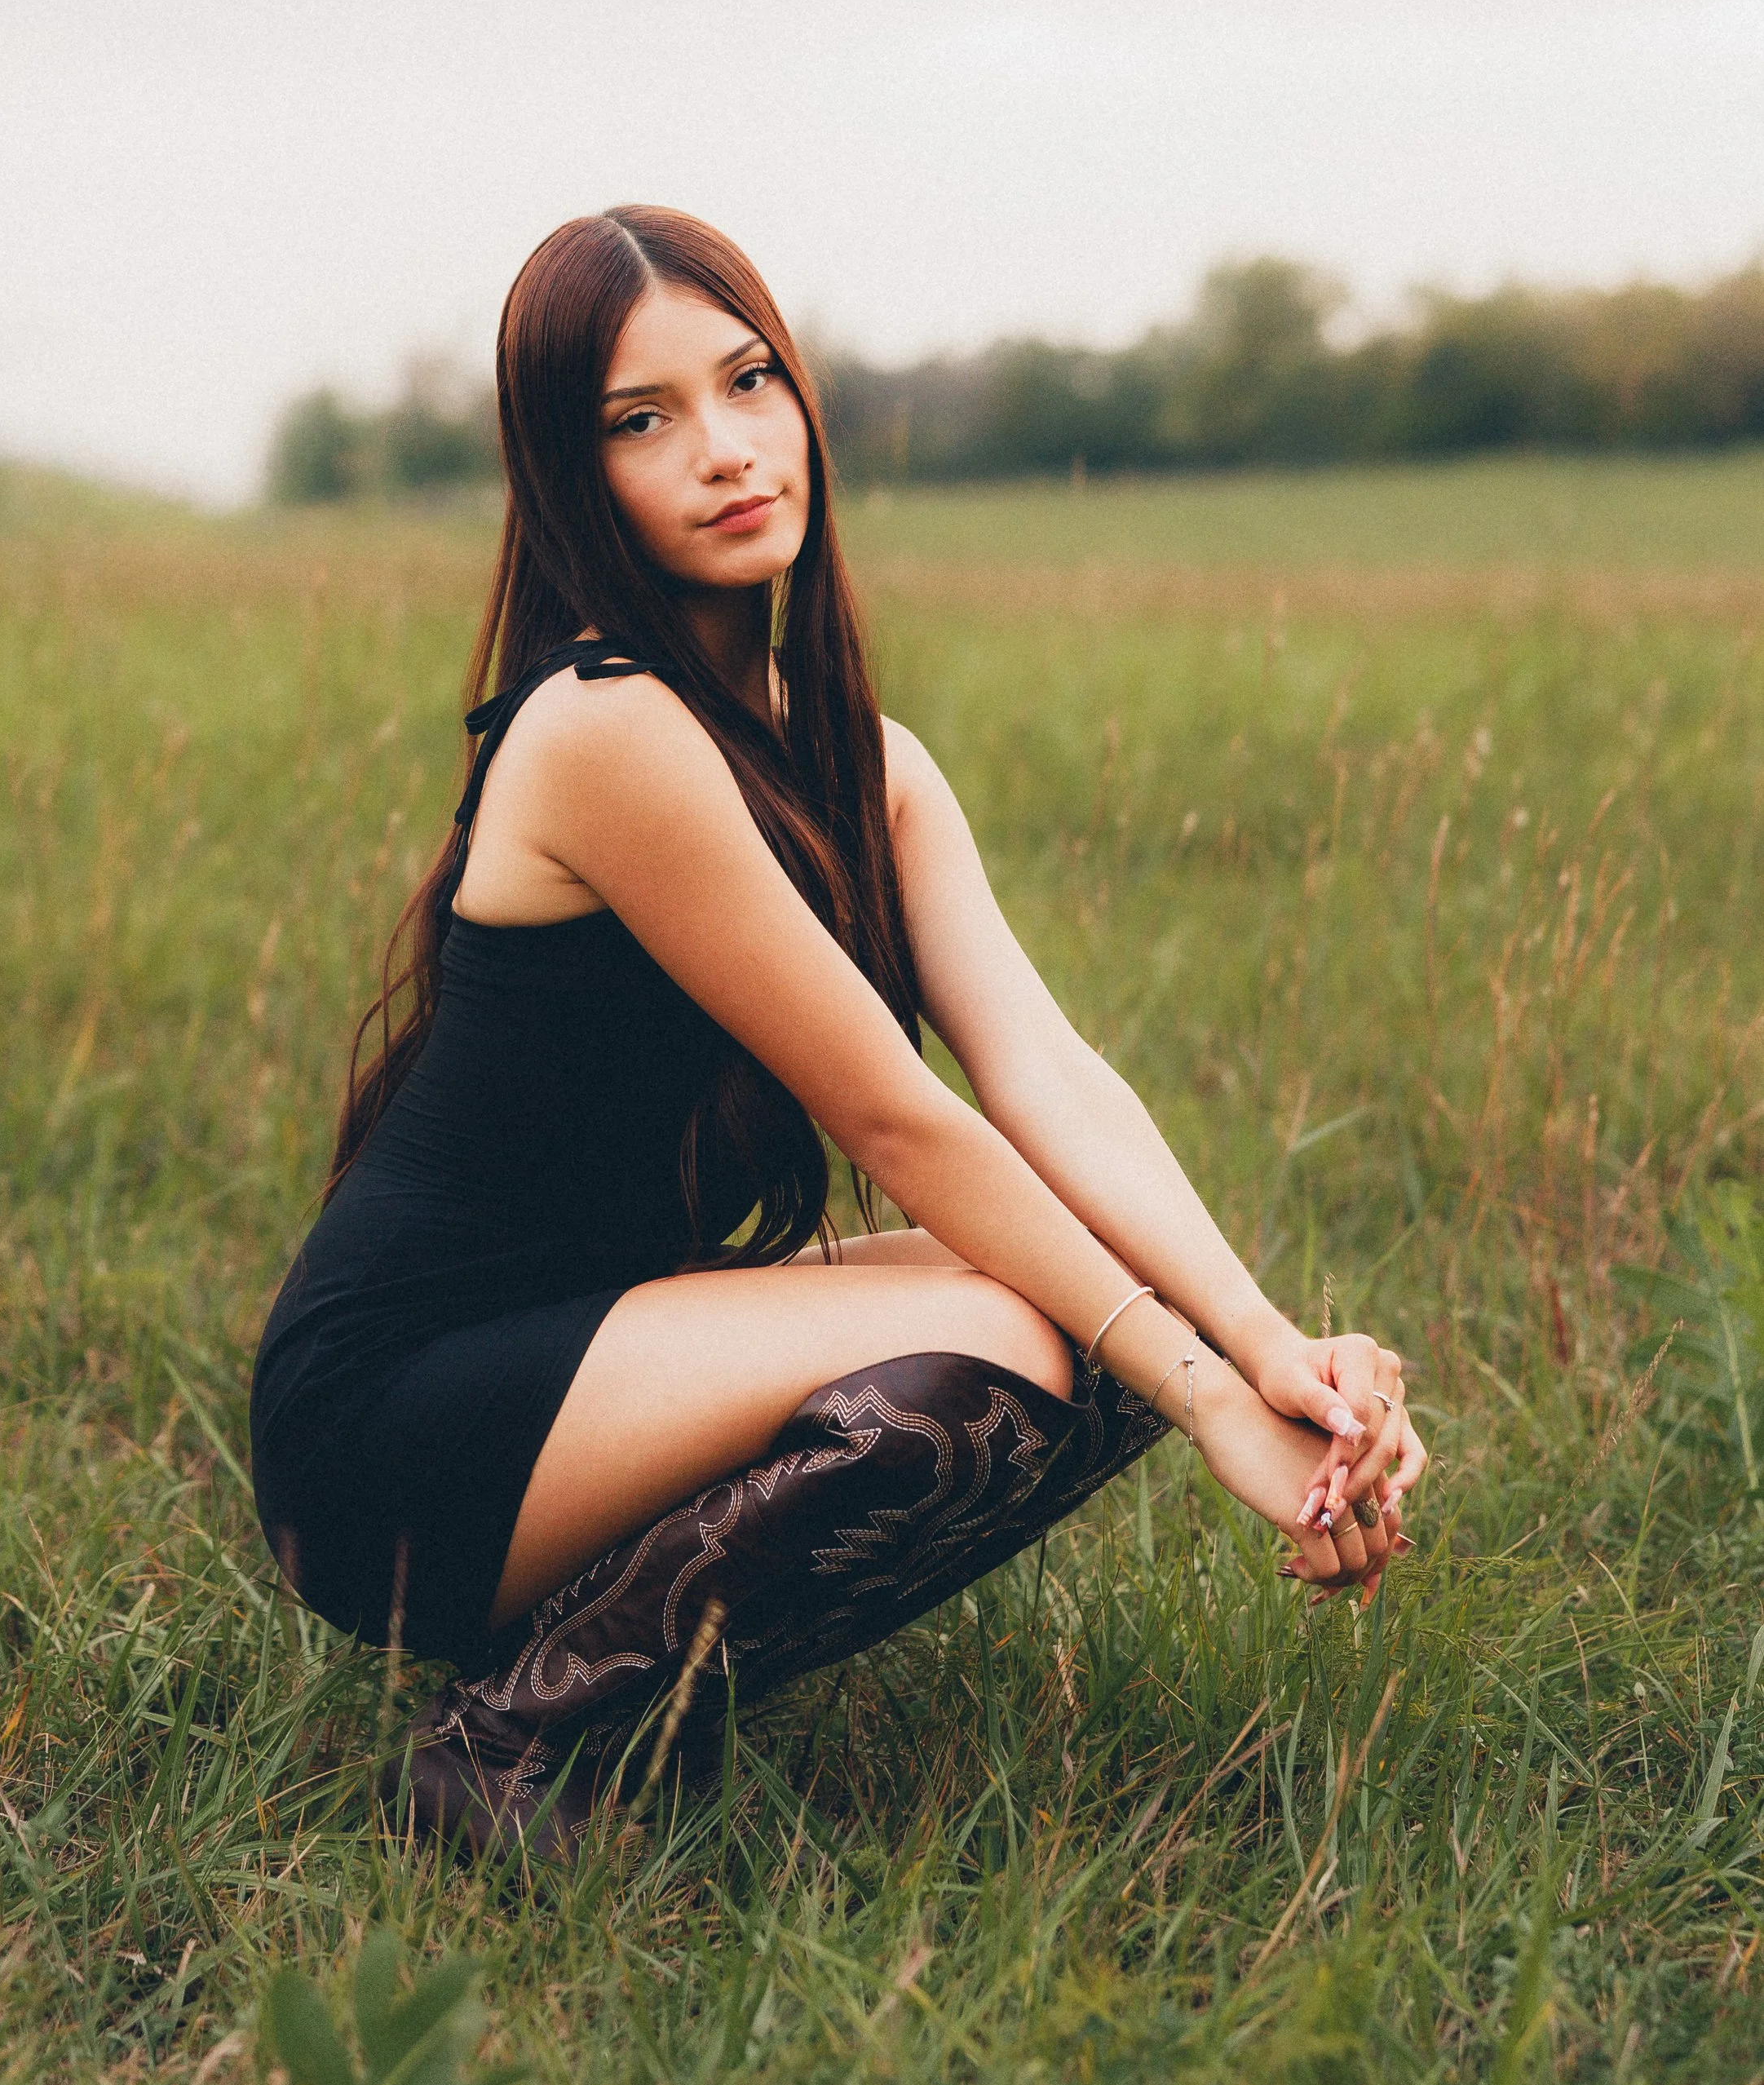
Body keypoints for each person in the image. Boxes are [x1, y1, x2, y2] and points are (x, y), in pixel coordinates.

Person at [248, 205, 1426, 1853]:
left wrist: (1261, 1347)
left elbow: (1041, 1075)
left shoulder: (863, 762)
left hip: (603, 1341)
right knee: (1031, 1342)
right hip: (397, 1421)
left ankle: (569, 1683)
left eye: (746, 382)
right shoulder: (605, 733)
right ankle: (515, 1745)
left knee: (1085, 1309)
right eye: (638, 419)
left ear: (803, 395)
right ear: (566, 475)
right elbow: (902, 1122)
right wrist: (1201, 1389)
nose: (723, 449)